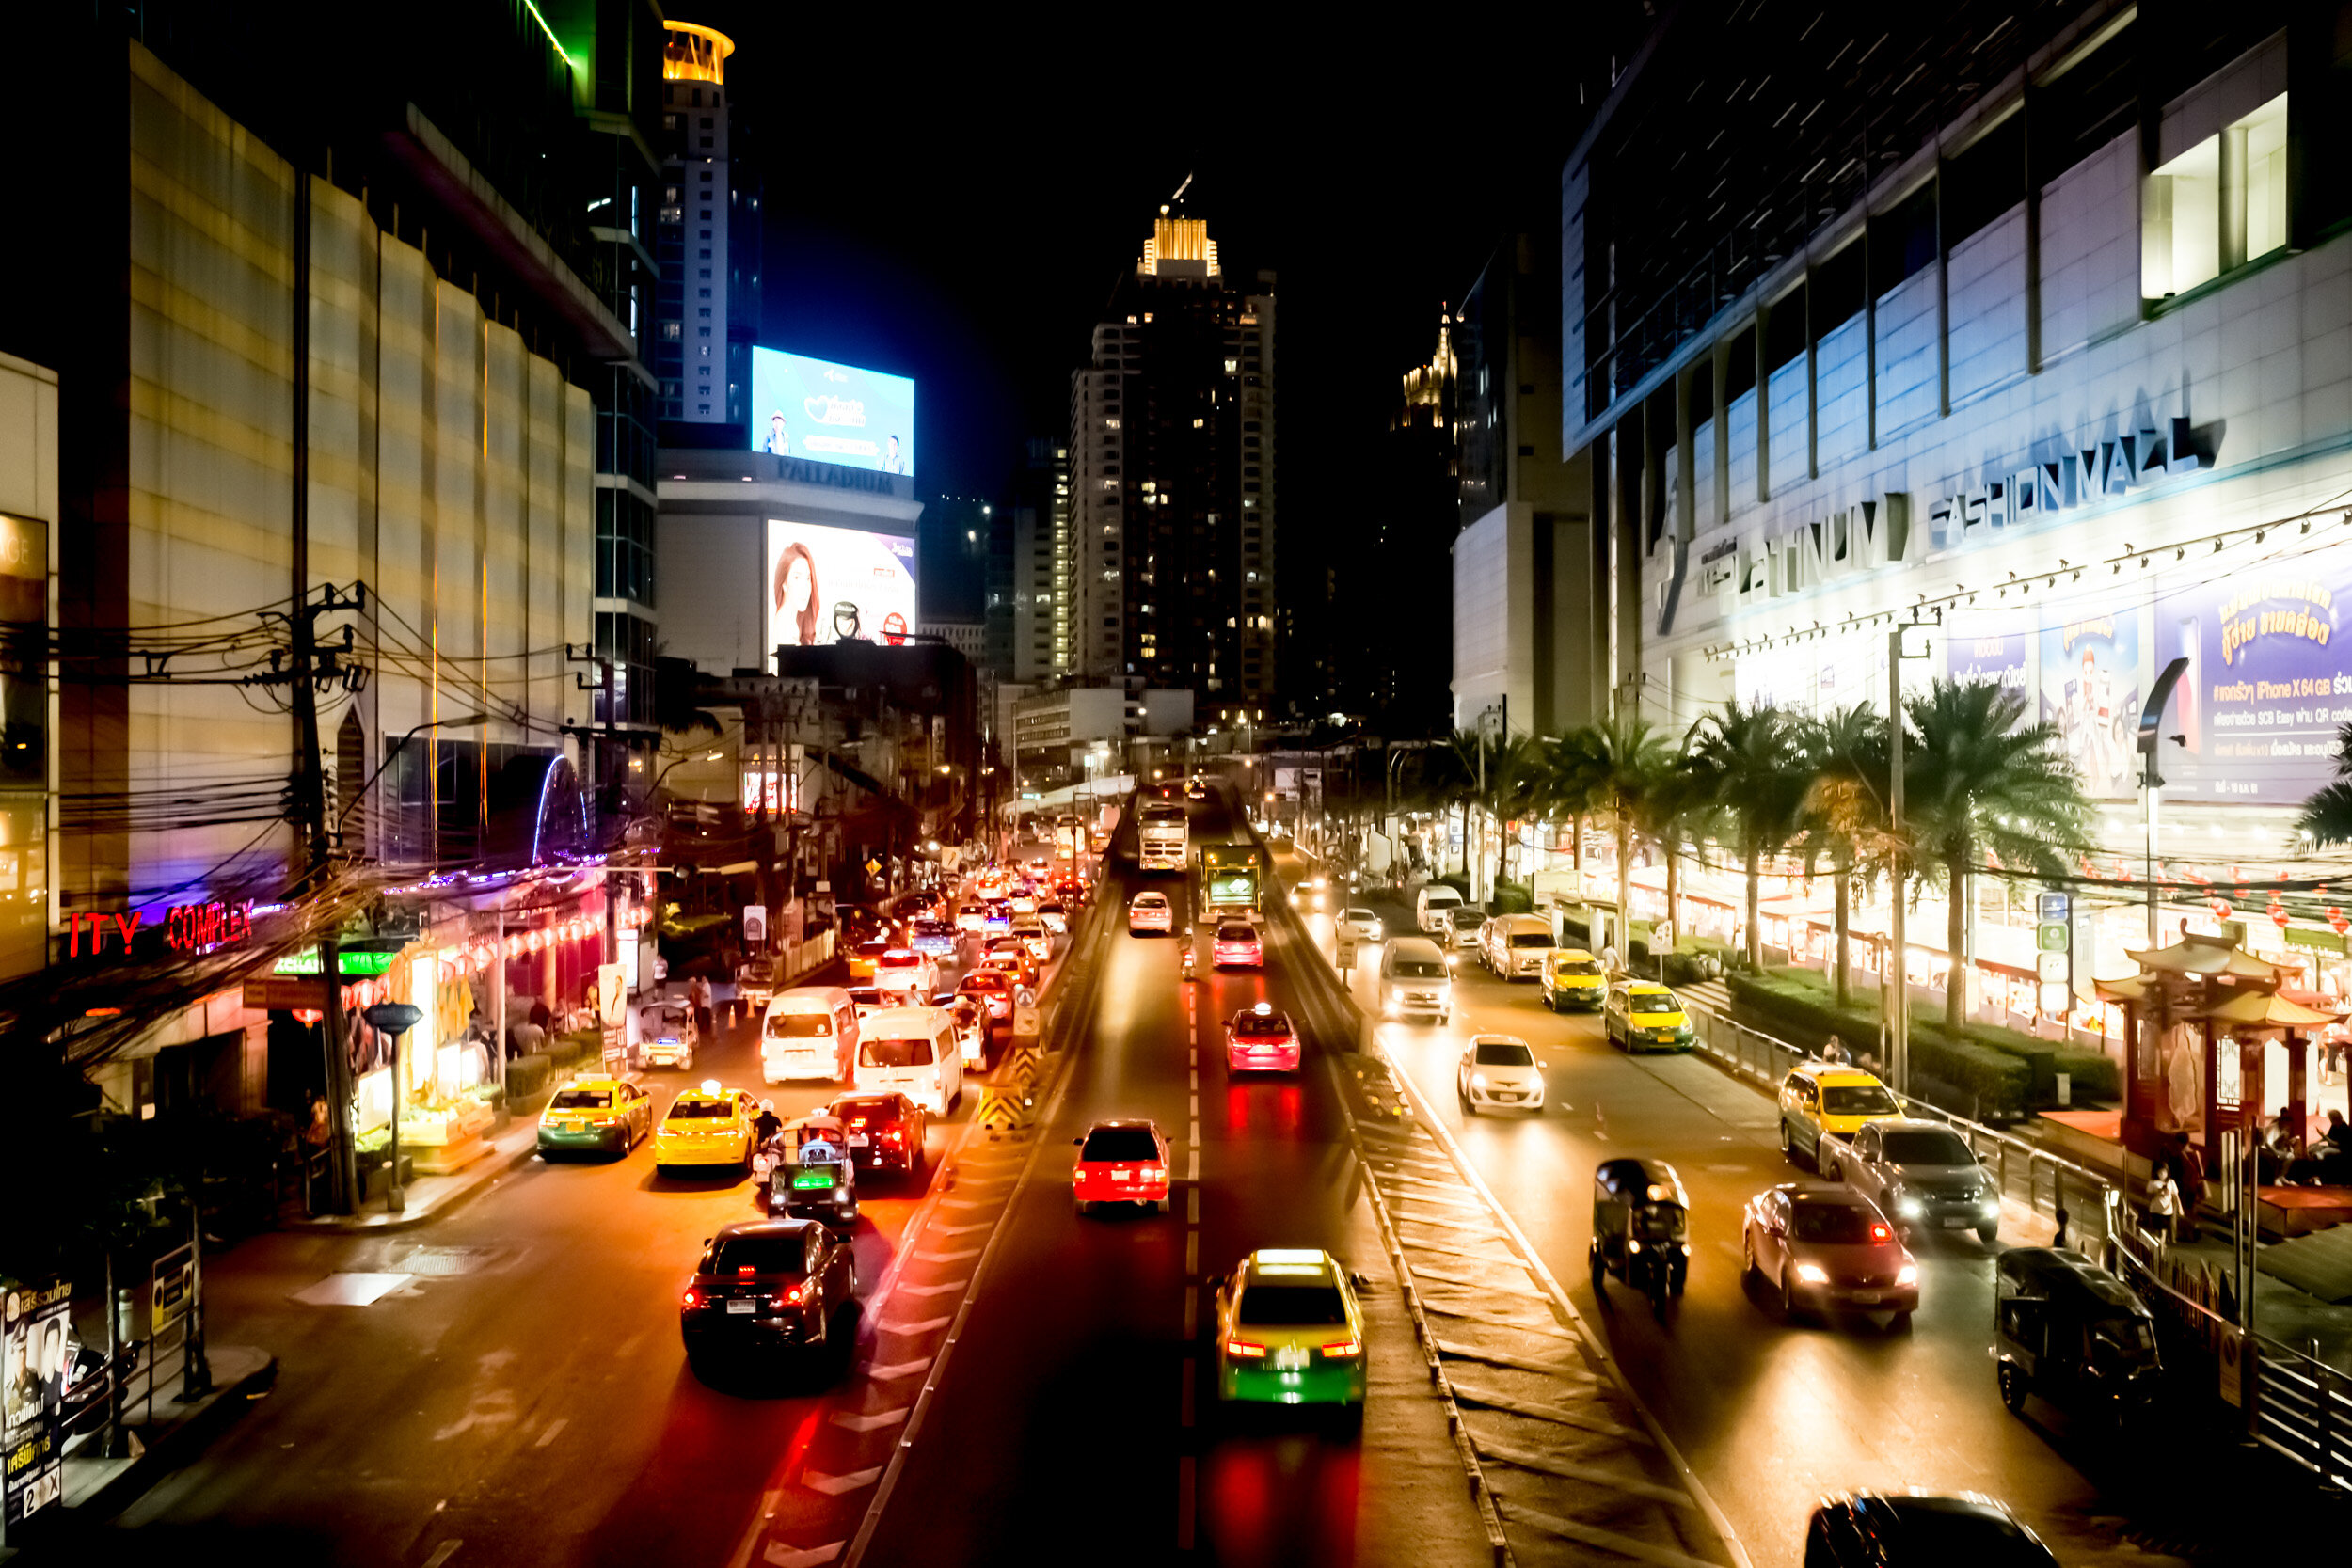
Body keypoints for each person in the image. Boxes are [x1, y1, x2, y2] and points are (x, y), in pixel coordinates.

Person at [773, 541, 819, 646]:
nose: (805, 587)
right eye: (797, 577)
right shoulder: (783, 627)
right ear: (783, 582)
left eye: (808, 578)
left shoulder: (792, 624)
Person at [2145, 1161, 2181, 1245]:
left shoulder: (2171, 1182)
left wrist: (2180, 1208)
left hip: (2167, 1211)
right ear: (2156, 1173)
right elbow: (2148, 1197)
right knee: (2156, 1232)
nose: (2162, 1174)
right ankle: (2158, 1247)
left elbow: (2176, 1196)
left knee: (2163, 1232)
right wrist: (2157, 1193)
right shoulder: (2152, 1183)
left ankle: (2162, 1247)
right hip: (2155, 1210)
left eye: (2164, 1172)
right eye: (2160, 1172)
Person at [688, 973, 714, 1041]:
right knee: (702, 1018)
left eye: (704, 979)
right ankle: (702, 1029)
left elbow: (702, 996)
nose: (702, 980)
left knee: (703, 1018)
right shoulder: (699, 987)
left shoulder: (703, 986)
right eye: (702, 979)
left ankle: (702, 1029)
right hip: (699, 1005)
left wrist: (701, 995)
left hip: (700, 1005)